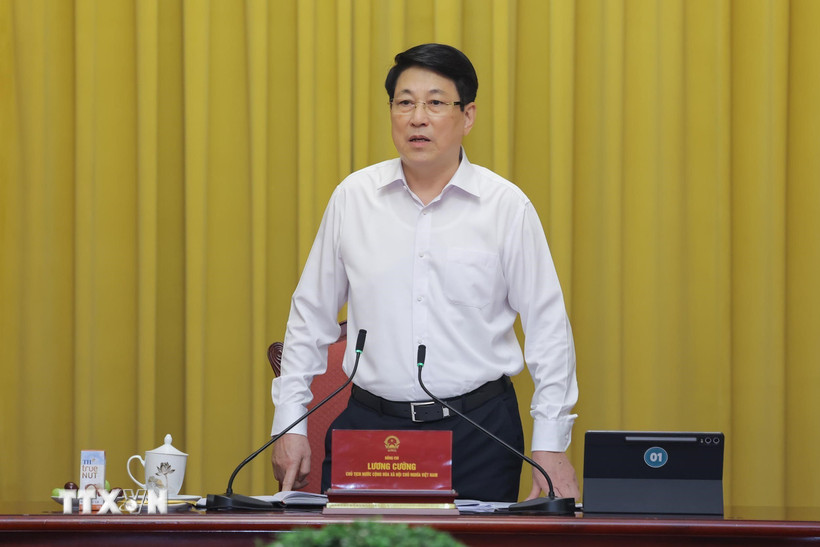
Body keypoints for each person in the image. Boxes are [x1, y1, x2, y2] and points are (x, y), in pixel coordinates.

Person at [271, 43, 579, 502]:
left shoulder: (506, 208)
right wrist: (289, 422)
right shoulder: (354, 198)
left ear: (467, 116)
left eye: (435, 102)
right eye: (405, 102)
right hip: (370, 429)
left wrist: (551, 444)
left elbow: (548, 329)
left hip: (478, 430)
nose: (418, 117)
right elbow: (310, 315)